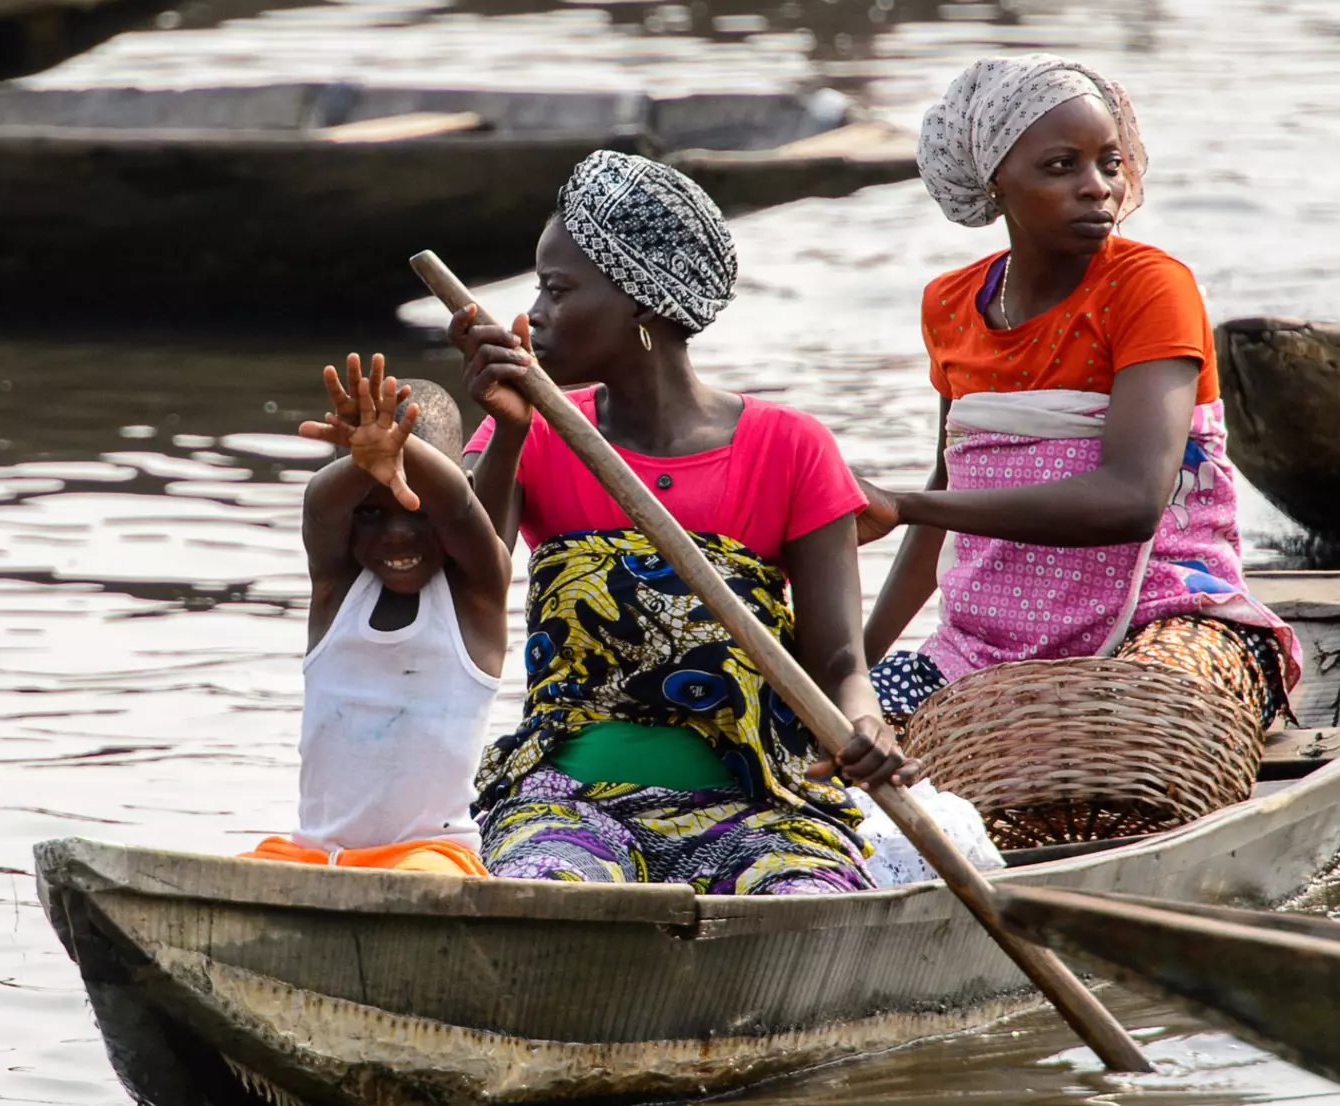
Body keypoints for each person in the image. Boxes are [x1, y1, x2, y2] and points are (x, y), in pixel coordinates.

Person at [449, 149, 910, 895]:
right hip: (569, 806)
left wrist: (865, 724)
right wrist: (504, 433)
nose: (532, 316)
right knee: (546, 891)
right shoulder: (532, 432)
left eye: (557, 289)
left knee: (801, 901)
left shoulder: (790, 446)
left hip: (757, 806)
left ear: (641, 300)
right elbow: (463, 576)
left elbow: (839, 664)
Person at [861, 54, 1300, 727]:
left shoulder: (1151, 287)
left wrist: (906, 505)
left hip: (1163, 616)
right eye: (1062, 166)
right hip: (985, 645)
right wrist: (852, 667)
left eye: (1110, 163)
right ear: (996, 182)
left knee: (1145, 725)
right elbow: (951, 488)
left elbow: (1132, 501)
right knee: (831, 752)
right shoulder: (949, 305)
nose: (1098, 188)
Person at [242, 356, 510, 875]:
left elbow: (456, 505)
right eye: (370, 512)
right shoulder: (337, 590)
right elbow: (320, 507)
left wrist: (400, 448)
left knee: (420, 883)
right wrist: (364, 459)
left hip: (431, 856)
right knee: (237, 873)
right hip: (315, 854)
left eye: (417, 511)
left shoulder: (476, 595)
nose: (397, 535)